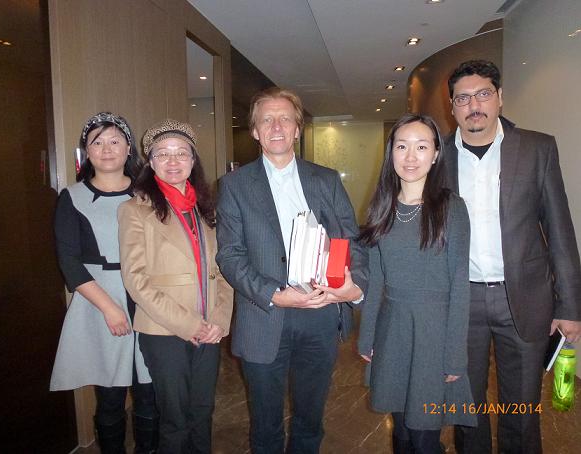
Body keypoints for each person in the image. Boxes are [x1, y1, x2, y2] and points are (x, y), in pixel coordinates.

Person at [215, 87, 368, 453]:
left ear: (298, 129)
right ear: (255, 131)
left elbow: (351, 240)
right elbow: (230, 255)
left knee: (310, 418)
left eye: (285, 118)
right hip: (264, 314)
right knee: (265, 422)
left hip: (320, 312)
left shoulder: (326, 179)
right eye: (266, 120)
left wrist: (351, 286)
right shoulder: (234, 185)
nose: (276, 126)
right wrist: (275, 294)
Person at [444, 60, 581, 454]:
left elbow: (560, 228)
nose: (474, 105)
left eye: (483, 94)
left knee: (521, 410)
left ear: (500, 97)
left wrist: (570, 306)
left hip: (524, 297)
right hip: (461, 301)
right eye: (463, 98)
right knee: (465, 406)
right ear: (452, 106)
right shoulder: (436, 156)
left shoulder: (538, 148)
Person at [357, 114, 475, 454]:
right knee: (402, 433)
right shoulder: (382, 207)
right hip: (393, 332)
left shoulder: (451, 208)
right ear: (391, 153)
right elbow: (376, 279)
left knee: (424, 434)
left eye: (421, 147)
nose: (410, 157)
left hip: (433, 335)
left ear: (436, 154)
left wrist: (455, 355)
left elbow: (460, 284)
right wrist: (367, 336)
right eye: (402, 146)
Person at [118, 119, 233, 453]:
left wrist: (219, 320)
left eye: (181, 153)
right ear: (150, 162)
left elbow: (224, 269)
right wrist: (190, 324)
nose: (173, 161)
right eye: (163, 154)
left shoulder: (207, 208)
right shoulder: (134, 210)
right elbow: (136, 280)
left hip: (210, 328)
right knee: (175, 419)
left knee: (203, 411)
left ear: (193, 161)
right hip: (164, 331)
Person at [50, 112, 158, 453]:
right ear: (87, 151)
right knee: (110, 395)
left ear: (129, 148)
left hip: (147, 299)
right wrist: (110, 308)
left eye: (115, 140)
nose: (107, 148)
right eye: (97, 142)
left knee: (149, 392)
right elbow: (69, 261)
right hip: (99, 301)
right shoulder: (72, 197)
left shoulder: (150, 194)